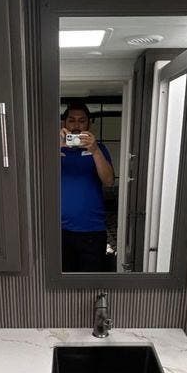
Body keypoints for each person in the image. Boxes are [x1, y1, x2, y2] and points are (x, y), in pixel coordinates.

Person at [60, 101, 114, 272]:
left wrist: (95, 151)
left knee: (91, 280)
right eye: (71, 120)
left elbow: (109, 181)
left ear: (89, 124)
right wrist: (56, 148)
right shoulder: (53, 149)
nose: (76, 125)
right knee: (62, 281)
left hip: (92, 230)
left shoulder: (99, 149)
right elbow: (40, 179)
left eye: (82, 120)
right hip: (60, 229)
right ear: (64, 123)